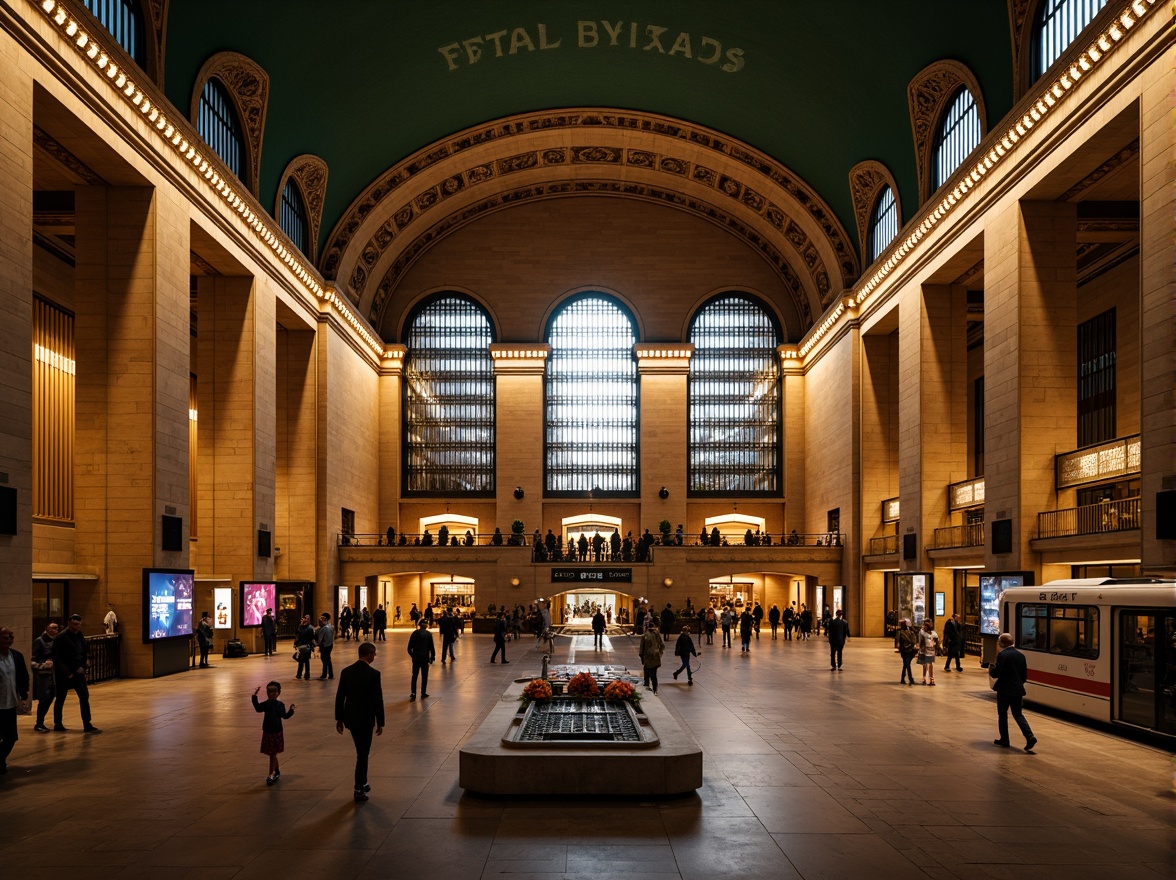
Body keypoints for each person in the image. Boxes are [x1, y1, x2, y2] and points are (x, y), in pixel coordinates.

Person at [335, 641, 385, 802]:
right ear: (369, 654)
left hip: (351, 718)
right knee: (363, 754)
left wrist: (339, 719)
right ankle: (358, 788)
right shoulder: (373, 674)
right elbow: (377, 699)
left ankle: (363, 781)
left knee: (360, 750)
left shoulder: (346, 672)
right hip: (366, 719)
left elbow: (340, 696)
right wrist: (380, 721)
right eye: (374, 654)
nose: (374, 657)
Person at [51, 614, 100, 733]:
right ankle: (58, 723)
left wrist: (83, 666)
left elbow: (83, 652)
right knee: (60, 698)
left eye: (78, 625)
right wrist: (68, 673)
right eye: (74, 624)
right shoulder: (60, 637)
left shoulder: (80, 635)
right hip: (64, 674)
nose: (76, 627)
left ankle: (87, 723)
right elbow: (57, 658)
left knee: (84, 697)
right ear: (69, 623)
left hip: (78, 672)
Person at [989, 632, 1037, 752]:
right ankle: (1029, 736)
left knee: (1003, 714)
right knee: (1018, 714)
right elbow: (1024, 676)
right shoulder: (1021, 655)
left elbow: (997, 672)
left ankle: (1004, 739)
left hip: (1004, 690)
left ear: (1003, 643)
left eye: (1000, 642)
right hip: (1017, 690)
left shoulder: (1002, 655)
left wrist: (992, 670)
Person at [252, 680, 295, 785]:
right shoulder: (267, 704)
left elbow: (284, 716)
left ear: (278, 692)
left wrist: (291, 710)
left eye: (275, 692)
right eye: (271, 692)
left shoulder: (280, 705)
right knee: (273, 753)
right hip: (269, 731)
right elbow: (257, 708)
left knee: (272, 753)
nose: (273, 694)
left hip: (276, 731)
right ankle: (276, 771)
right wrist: (254, 696)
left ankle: (271, 774)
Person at [0, 626, 30, 774]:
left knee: (11, 737)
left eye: (11, 637)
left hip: (10, 704)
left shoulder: (16, 656)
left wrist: (24, 694)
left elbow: (23, 675)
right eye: (6, 637)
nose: (10, 640)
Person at [31, 622, 58, 731]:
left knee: (50, 698)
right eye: (52, 628)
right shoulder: (39, 641)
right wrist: (43, 665)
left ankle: (41, 722)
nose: (55, 630)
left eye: (56, 628)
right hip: (43, 676)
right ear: (47, 628)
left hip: (53, 675)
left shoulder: (56, 641)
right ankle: (39, 723)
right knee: (44, 699)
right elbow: (32, 660)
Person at [407, 619, 435, 700]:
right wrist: (432, 657)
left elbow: (409, 648)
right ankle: (423, 692)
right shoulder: (428, 634)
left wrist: (413, 656)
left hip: (417, 658)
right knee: (424, 676)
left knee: (415, 675)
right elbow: (431, 647)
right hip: (425, 658)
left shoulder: (415, 633)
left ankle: (413, 693)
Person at [639, 621, 665, 693]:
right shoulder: (657, 635)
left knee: (647, 674)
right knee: (653, 675)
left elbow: (641, 649)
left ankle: (648, 688)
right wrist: (659, 653)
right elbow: (662, 646)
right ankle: (654, 689)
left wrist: (642, 658)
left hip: (648, 658)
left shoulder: (645, 636)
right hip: (655, 658)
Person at [896, 618, 918, 686]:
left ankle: (904, 678)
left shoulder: (909, 632)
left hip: (908, 651)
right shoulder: (903, 632)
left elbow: (914, 641)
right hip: (905, 651)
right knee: (906, 664)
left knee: (906, 664)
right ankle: (909, 679)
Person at [293, 614, 315, 680]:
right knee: (303, 660)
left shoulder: (309, 628)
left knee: (304, 661)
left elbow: (310, 637)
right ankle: (303, 674)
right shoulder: (303, 627)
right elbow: (298, 635)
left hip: (305, 646)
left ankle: (303, 674)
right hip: (304, 646)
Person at [917, 618, 939, 685]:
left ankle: (926, 678)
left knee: (926, 664)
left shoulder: (923, 633)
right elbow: (936, 642)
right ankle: (930, 679)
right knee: (929, 664)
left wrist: (920, 649)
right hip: (931, 650)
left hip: (926, 650)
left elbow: (920, 641)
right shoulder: (934, 633)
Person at [316, 613, 335, 680]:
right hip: (330, 645)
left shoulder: (323, 629)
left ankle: (324, 674)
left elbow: (320, 639)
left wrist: (317, 645)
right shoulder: (331, 627)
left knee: (324, 660)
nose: (319, 624)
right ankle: (331, 674)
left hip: (325, 646)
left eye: (320, 622)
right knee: (328, 659)